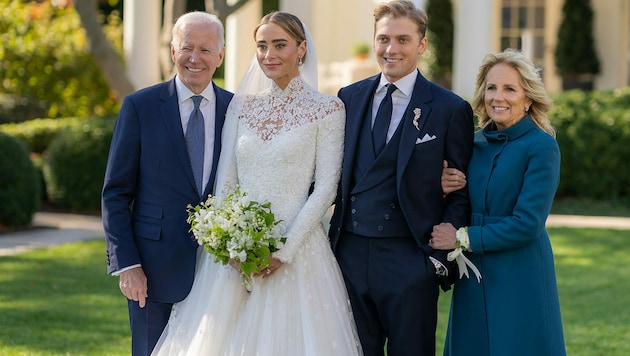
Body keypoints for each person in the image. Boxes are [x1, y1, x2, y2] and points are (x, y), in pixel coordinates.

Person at [151, 11, 362, 355]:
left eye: (280, 45)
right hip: (235, 255)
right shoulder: (240, 107)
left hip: (298, 251)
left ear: (301, 49)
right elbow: (227, 182)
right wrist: (227, 244)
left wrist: (284, 249)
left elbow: (326, 188)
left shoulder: (328, 109)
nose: (269, 55)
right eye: (262, 46)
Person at [327, 1, 475, 355]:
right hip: (348, 253)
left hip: (410, 255)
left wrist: (437, 257)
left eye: (403, 39)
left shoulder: (450, 107)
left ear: (421, 45)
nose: (391, 49)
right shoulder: (349, 97)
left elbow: (461, 192)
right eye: (383, 39)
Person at [101, 12, 233, 356]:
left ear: (220, 56)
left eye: (205, 49)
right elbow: (115, 193)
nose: (195, 58)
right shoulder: (139, 107)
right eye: (186, 48)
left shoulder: (238, 111)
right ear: (173, 51)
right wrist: (127, 265)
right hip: (152, 270)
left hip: (220, 274)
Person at [433, 48, 566, 355]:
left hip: (519, 271)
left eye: (510, 89)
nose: (498, 97)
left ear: (528, 97)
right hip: (473, 272)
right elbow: (459, 200)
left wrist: (461, 237)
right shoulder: (472, 141)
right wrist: (442, 188)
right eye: (491, 87)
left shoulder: (542, 147)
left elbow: (528, 223)